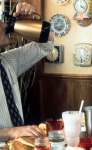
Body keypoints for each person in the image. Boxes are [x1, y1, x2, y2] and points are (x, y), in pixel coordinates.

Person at [0, 2, 54, 141]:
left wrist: (29, 21)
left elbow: (46, 43)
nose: (5, 26)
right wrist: (11, 133)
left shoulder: (8, 61)